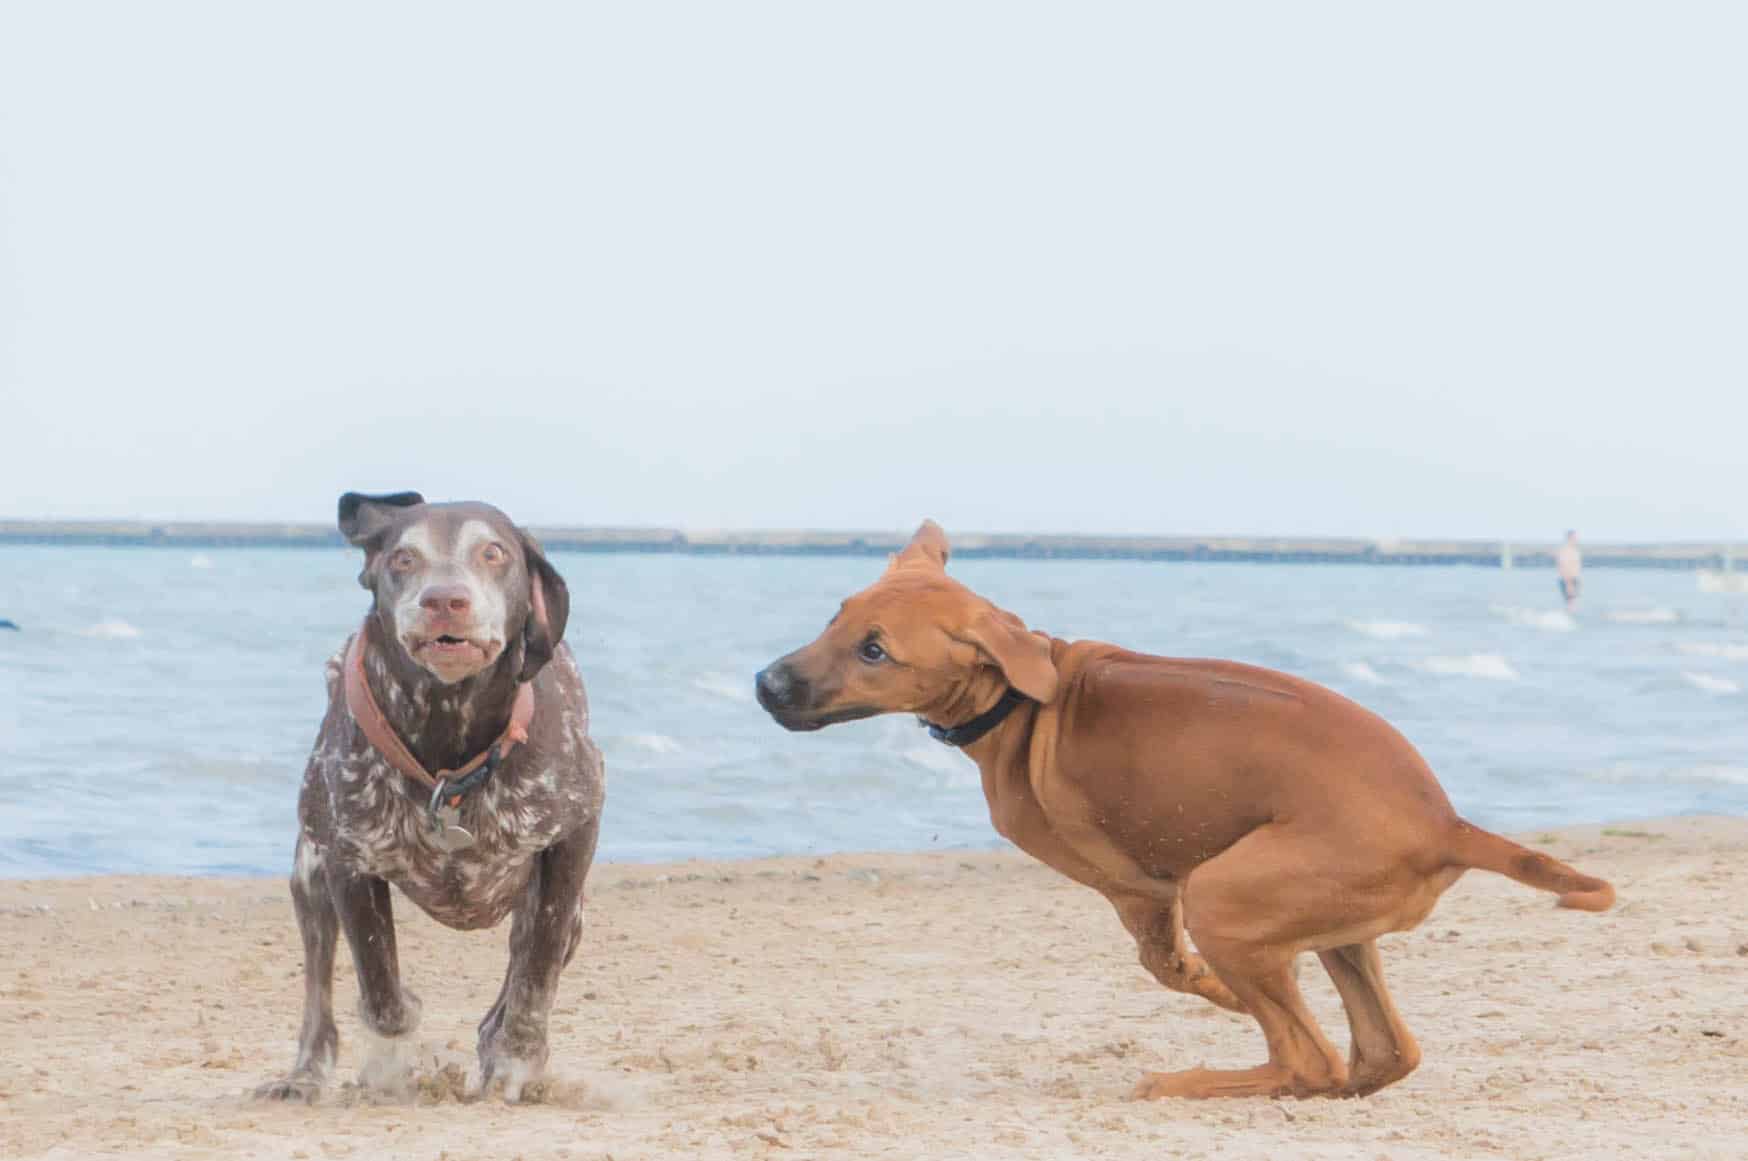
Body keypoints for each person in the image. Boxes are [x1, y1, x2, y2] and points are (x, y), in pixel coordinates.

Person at [1555, 530, 1582, 612]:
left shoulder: (1575, 550)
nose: (1576, 539)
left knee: (1573, 602)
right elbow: (1562, 567)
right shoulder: (1565, 551)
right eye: (1574, 538)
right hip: (1568, 579)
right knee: (1570, 603)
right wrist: (1568, 583)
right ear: (1569, 538)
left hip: (1574, 578)